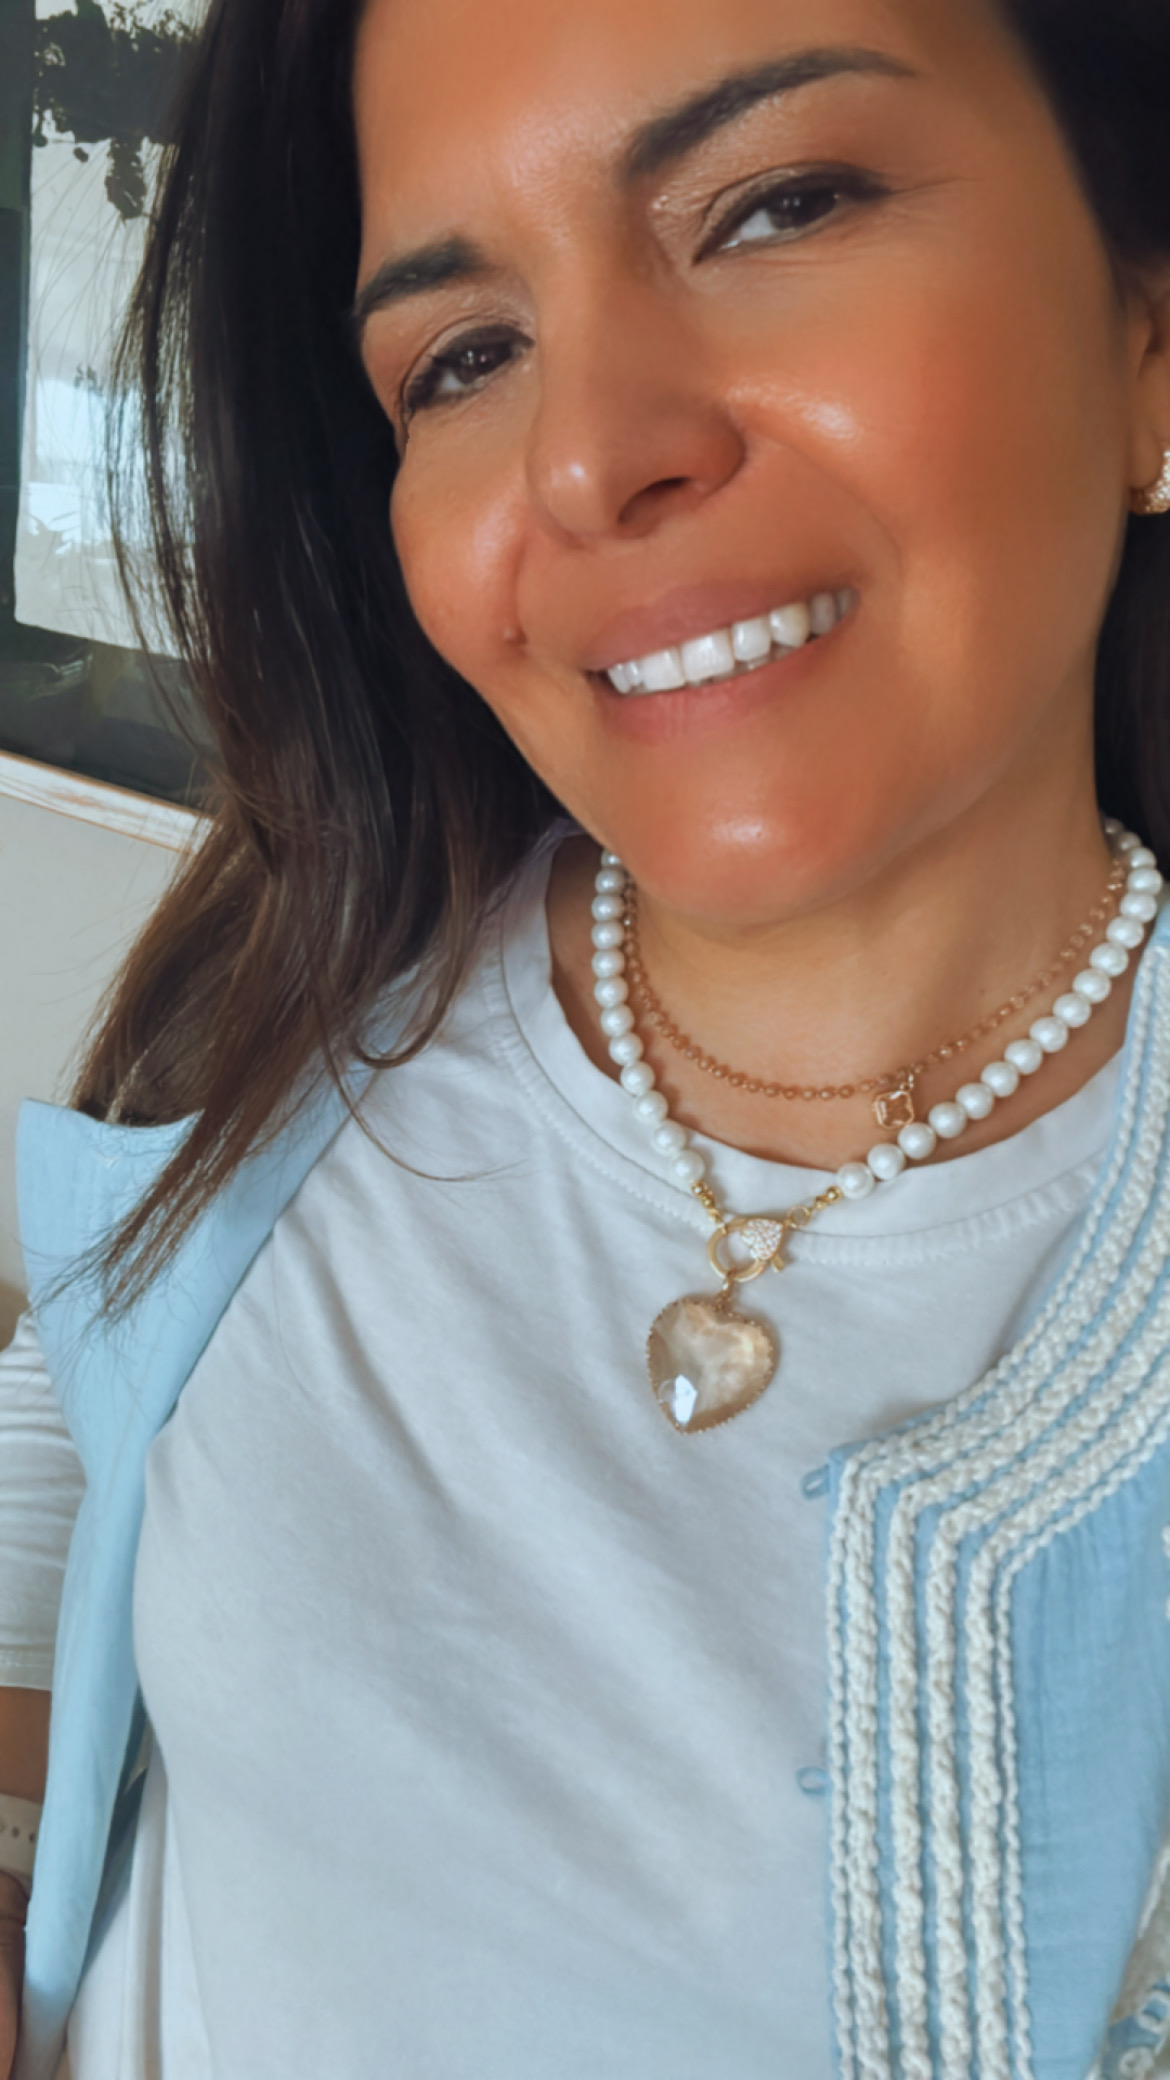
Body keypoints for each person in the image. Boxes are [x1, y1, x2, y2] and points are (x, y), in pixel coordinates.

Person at [3, 0, 1170, 2071]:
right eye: (462, 355)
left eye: (776, 205)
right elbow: (100, 1423)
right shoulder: (323, 944)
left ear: (1143, 334)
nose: (585, 455)